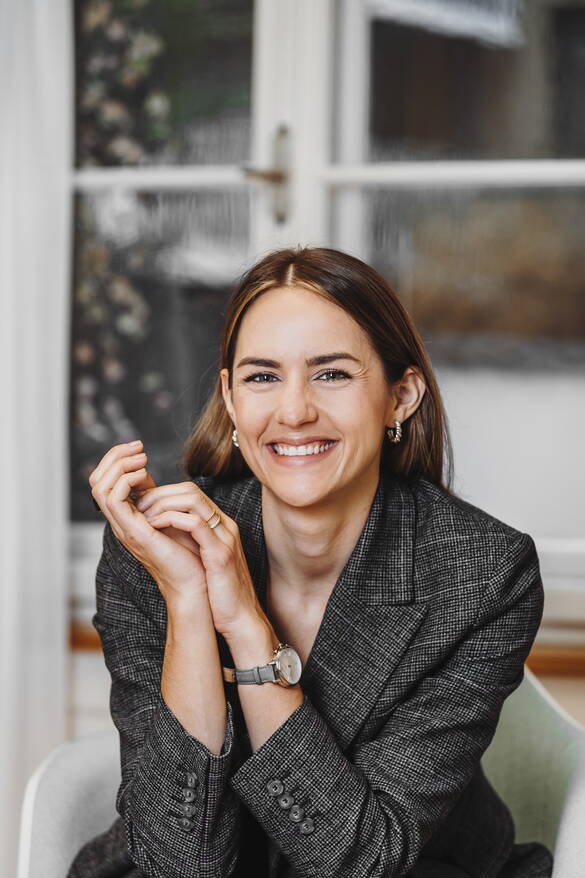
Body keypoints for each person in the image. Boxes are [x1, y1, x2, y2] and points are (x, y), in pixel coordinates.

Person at [67, 246, 553, 878]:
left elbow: (360, 860)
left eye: (332, 374)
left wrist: (246, 626)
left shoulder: (484, 573)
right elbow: (178, 863)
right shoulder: (153, 551)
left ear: (400, 397)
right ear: (231, 398)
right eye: (263, 376)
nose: (294, 412)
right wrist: (188, 598)